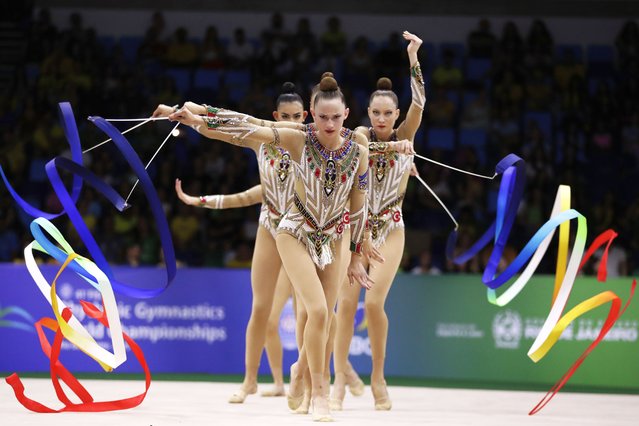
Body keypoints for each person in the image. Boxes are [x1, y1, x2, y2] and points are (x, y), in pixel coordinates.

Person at [167, 76, 383, 421]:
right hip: (293, 231)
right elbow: (246, 127)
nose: (328, 124)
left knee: (322, 318)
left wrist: (358, 254)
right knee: (316, 311)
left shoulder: (357, 152)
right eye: (322, 117)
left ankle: (299, 370)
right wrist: (196, 117)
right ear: (311, 113)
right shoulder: (299, 139)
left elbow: (359, 206)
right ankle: (318, 394)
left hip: (336, 237)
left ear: (346, 114)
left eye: (336, 118)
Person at [166, 82, 306, 402]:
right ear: (274, 116)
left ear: (306, 116)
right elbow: (228, 128)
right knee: (260, 308)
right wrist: (193, 118)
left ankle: (307, 378)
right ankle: (250, 380)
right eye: (284, 116)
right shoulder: (263, 141)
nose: (291, 122)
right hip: (270, 227)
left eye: (297, 117)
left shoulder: (308, 141)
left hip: (301, 232)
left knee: (304, 312)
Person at [331, 30, 425, 411]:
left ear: (397, 114)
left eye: (389, 113)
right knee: (345, 306)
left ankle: (378, 377)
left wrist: (413, 58)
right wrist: (395, 149)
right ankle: (338, 379)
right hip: (355, 231)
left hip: (390, 229)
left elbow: (420, 100)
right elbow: (363, 146)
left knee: (373, 305)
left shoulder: (407, 132)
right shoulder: (360, 135)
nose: (382, 118)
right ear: (368, 114)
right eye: (376, 112)